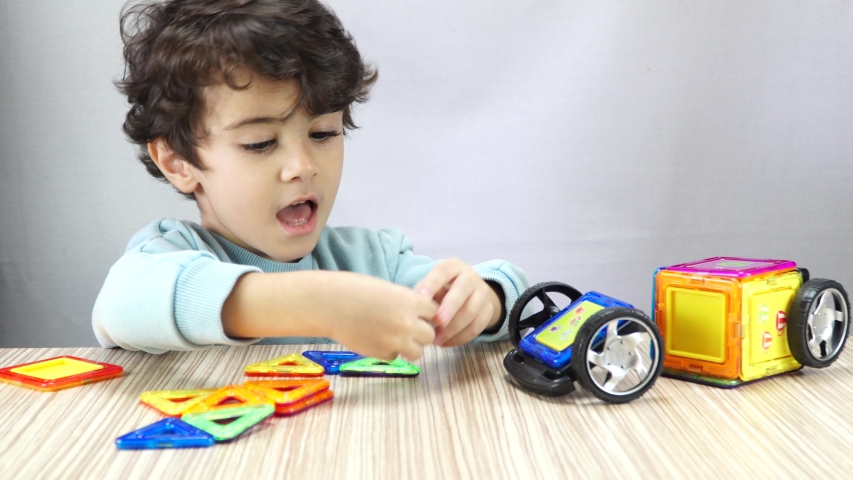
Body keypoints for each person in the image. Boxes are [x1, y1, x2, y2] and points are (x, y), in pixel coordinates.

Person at [93, 0, 528, 359]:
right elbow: (121, 306)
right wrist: (318, 304)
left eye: (323, 134)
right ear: (176, 162)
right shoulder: (165, 256)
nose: (302, 165)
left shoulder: (370, 262)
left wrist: (485, 300)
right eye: (261, 143)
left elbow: (514, 300)